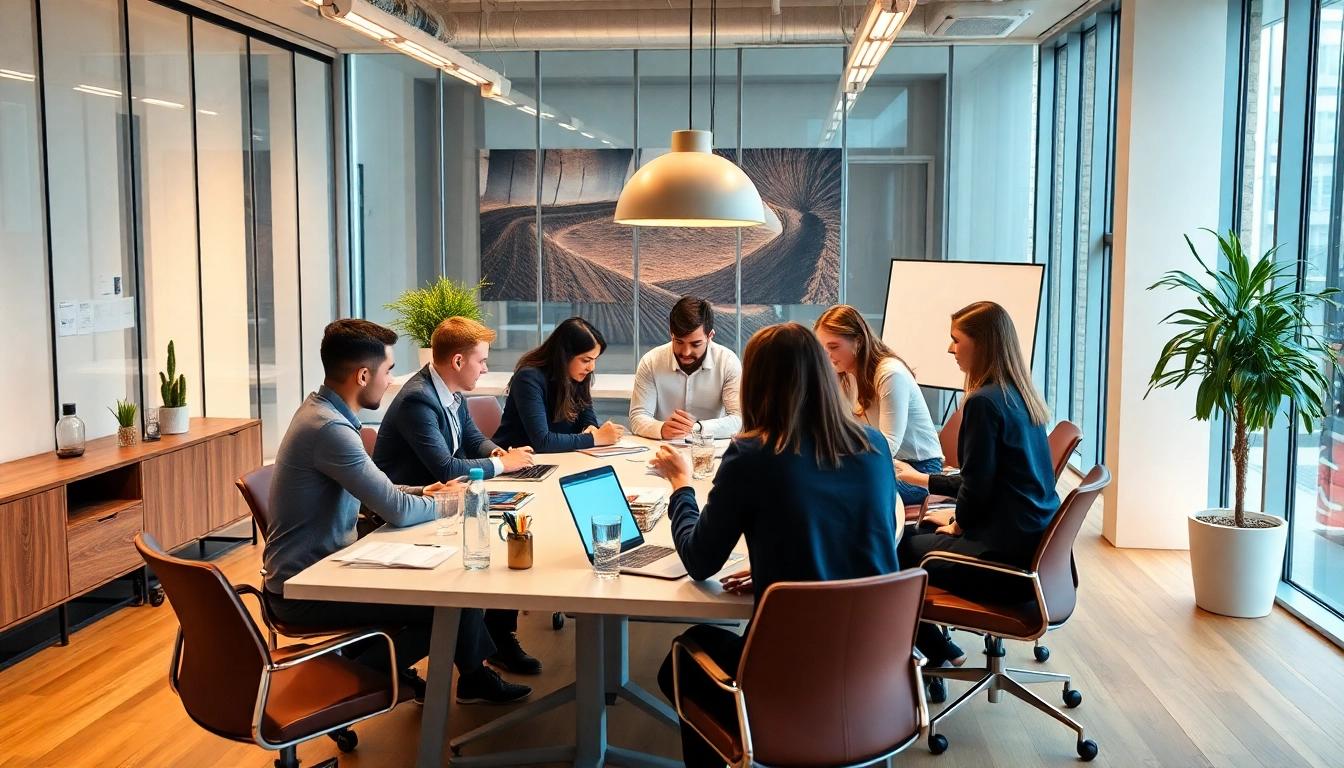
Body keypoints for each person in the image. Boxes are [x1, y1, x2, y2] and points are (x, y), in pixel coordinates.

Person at [647, 322, 900, 768]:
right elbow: (847, 533)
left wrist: (681, 485)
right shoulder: (875, 444)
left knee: (682, 656)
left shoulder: (753, 454)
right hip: (873, 674)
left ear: (757, 384)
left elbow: (700, 560)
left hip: (789, 675)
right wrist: (775, 567)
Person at [261, 319, 531, 705]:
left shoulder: (323, 414)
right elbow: (398, 511)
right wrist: (448, 501)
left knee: (453, 587)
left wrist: (426, 490)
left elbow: (381, 492)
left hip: (334, 564)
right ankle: (351, 675)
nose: (390, 380)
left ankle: (453, 674)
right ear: (363, 374)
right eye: (387, 370)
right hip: (307, 585)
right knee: (448, 604)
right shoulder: (330, 430)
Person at [894, 301, 1060, 667]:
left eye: (956, 340)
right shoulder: (1019, 395)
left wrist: (958, 523)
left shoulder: (984, 403)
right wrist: (956, 516)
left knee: (888, 546)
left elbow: (976, 491)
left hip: (999, 565)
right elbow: (986, 482)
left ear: (981, 344)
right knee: (909, 533)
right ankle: (938, 648)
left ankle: (930, 652)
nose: (950, 349)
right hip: (1027, 552)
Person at [373, 316, 542, 676]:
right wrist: (505, 465)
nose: (485, 368)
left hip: (442, 505)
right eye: (481, 360)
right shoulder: (417, 401)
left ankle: (492, 645)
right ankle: (480, 665)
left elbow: (471, 439)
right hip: (402, 516)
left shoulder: (449, 391)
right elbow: (446, 469)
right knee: (491, 549)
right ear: (458, 362)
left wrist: (498, 454)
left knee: (509, 535)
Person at [814, 304, 943, 503]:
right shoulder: (844, 375)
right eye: (822, 349)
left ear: (858, 341)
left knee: (843, 494)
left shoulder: (890, 374)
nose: (827, 356)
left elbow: (888, 444)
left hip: (919, 469)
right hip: (884, 464)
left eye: (833, 347)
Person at [493, 317, 625, 452]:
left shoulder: (575, 375)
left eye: (594, 360)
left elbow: (586, 411)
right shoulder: (528, 379)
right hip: (517, 463)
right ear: (564, 356)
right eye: (586, 360)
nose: (591, 367)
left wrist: (590, 427)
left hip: (559, 459)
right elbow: (542, 441)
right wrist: (595, 439)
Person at [629, 296, 742, 440]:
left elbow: (739, 420)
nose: (686, 352)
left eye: (695, 344)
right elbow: (637, 417)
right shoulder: (651, 361)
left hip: (710, 451)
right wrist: (661, 429)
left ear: (710, 336)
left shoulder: (728, 362)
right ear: (671, 333)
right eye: (679, 342)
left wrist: (697, 428)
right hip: (662, 449)